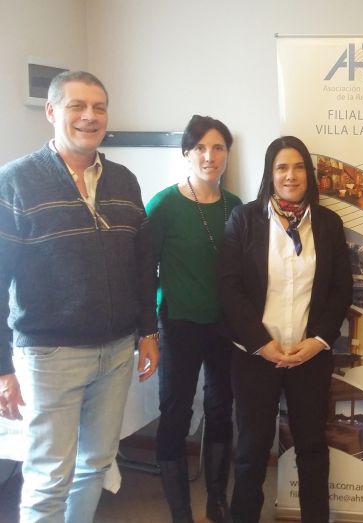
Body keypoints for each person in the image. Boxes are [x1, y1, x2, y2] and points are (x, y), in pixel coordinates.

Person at [0, 70, 159, 522]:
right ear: (52, 112)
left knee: (95, 465)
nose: (90, 116)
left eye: (99, 108)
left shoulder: (124, 181)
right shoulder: (14, 182)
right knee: (50, 476)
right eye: (77, 106)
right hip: (50, 356)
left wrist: (147, 331)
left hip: (116, 351)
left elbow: (142, 265)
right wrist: (2, 368)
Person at [218, 136, 352, 522]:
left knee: (312, 447)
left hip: (309, 356)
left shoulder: (327, 224)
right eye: (281, 167)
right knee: (251, 449)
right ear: (270, 174)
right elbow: (229, 287)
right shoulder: (244, 219)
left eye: (297, 167)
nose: (290, 175)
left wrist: (318, 341)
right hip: (255, 356)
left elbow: (341, 288)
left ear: (309, 173)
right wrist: (261, 343)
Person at [146, 115, 242, 523]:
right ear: (186, 153)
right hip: (178, 323)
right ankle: (180, 511)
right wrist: (148, 330)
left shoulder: (236, 206)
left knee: (221, 409)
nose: (209, 156)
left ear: (227, 154)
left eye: (218, 147)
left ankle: (216, 500)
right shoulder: (164, 205)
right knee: (176, 413)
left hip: (224, 326)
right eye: (200, 148)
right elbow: (143, 271)